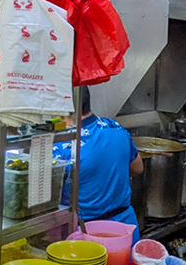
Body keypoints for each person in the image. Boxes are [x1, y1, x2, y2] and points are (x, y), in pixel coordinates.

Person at [56, 87, 144, 243]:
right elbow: (138, 168)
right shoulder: (116, 128)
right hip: (124, 231)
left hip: (87, 237)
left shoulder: (62, 147)